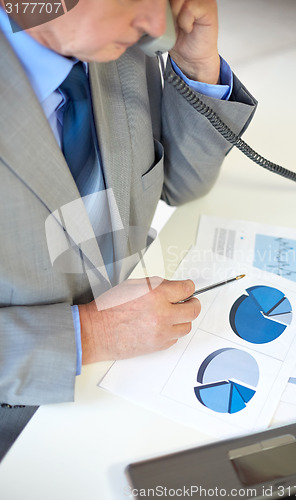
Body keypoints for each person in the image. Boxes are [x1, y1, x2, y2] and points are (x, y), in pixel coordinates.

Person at [0, 0, 257, 459]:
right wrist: (91, 333)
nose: (156, 29)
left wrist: (196, 63)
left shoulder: (114, 41)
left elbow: (180, 183)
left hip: (131, 371)